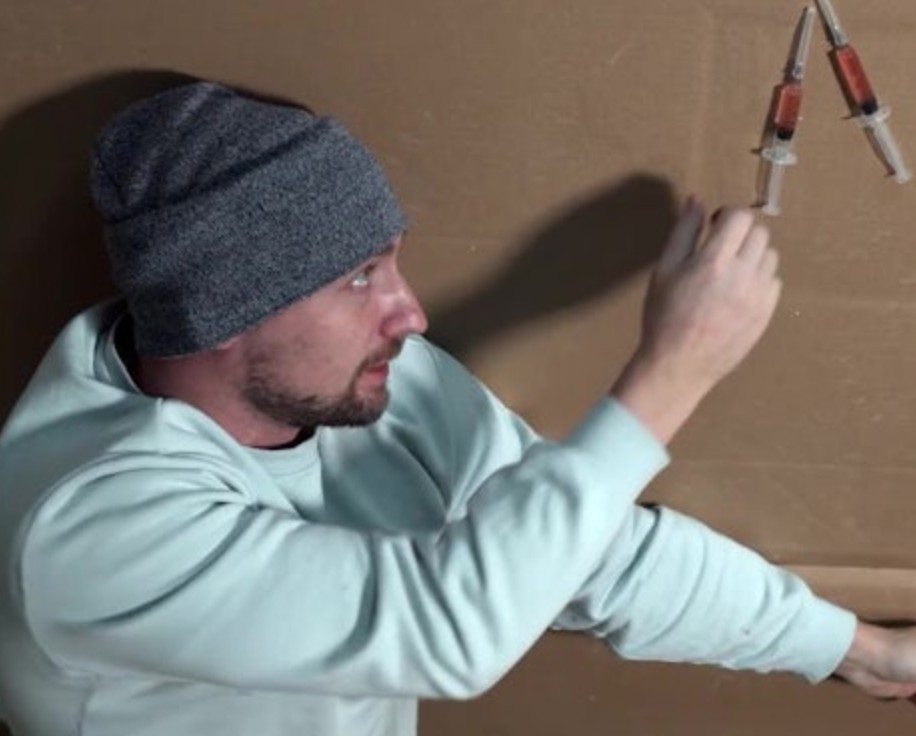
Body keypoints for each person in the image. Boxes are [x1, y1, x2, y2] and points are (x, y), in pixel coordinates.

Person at [0, 81, 912, 736]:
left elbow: (584, 547)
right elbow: (449, 630)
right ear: (222, 313)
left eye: (392, 260)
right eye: (361, 277)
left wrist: (860, 651)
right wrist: (674, 370)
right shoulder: (89, 528)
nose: (411, 313)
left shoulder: (370, 387)